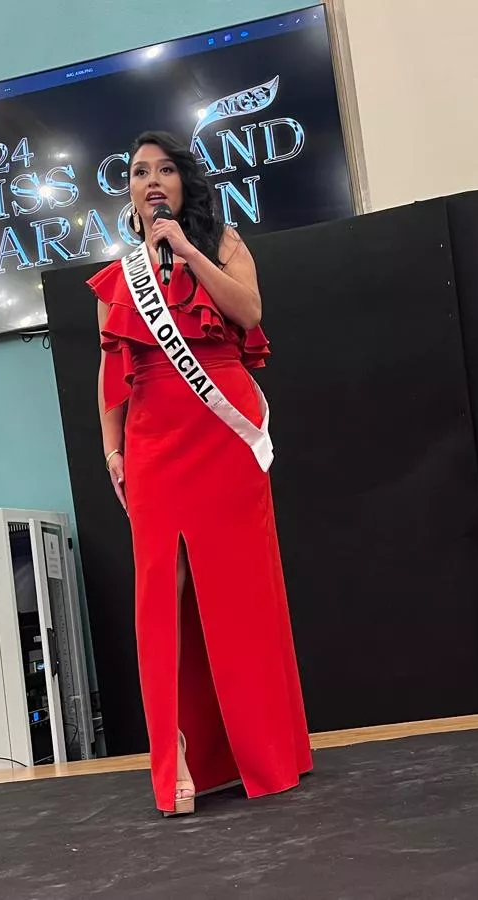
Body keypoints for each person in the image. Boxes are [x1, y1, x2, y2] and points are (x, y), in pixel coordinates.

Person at [89, 130, 312, 817]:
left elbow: (249, 313)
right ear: (127, 190)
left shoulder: (224, 245)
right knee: (164, 593)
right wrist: (112, 449)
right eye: (137, 172)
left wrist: (187, 252)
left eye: (163, 170)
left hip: (224, 431)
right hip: (155, 439)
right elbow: (107, 370)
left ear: (185, 182)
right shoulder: (118, 276)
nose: (150, 181)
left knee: (241, 589)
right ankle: (177, 753)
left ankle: (265, 749)